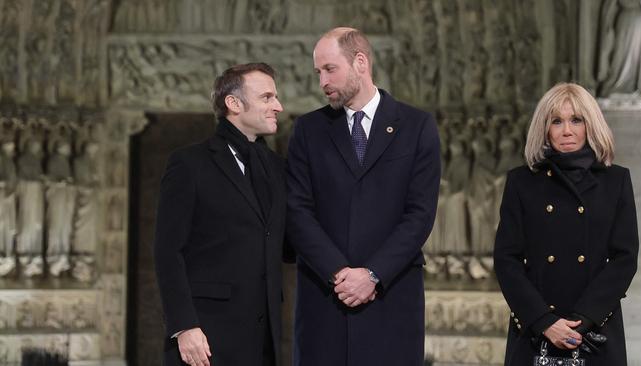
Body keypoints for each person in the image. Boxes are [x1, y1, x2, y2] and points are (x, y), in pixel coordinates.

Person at [286, 27, 440, 365]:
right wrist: (339, 273)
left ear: (360, 62)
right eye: (318, 72)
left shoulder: (416, 127)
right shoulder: (308, 130)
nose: (322, 81)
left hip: (391, 296)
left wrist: (372, 274)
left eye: (330, 69)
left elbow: (420, 214)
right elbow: (297, 210)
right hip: (325, 298)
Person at [494, 82, 639, 365]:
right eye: (556, 121)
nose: (567, 130)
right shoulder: (521, 182)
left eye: (576, 120)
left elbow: (624, 258)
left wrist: (583, 319)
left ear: (590, 124)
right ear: (544, 128)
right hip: (536, 331)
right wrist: (544, 321)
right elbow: (506, 258)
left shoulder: (616, 181)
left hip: (595, 329)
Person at [154, 63, 285, 366]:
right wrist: (184, 326)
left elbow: (288, 244)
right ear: (234, 103)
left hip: (263, 340)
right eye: (267, 97)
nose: (278, 106)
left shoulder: (278, 169)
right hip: (204, 338)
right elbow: (167, 251)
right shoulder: (189, 164)